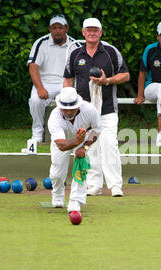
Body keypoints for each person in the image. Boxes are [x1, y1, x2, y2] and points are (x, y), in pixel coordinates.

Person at [63, 17, 130, 197]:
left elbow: (125, 75)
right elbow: (68, 79)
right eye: (88, 30)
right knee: (90, 147)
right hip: (84, 111)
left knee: (110, 145)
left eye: (95, 30)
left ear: (100, 32)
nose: (92, 33)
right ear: (83, 32)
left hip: (107, 109)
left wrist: (106, 80)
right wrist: (67, 104)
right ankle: (94, 185)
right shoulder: (75, 54)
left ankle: (115, 186)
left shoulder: (110, 52)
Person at [27, 14, 80, 143]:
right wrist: (40, 88)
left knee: (75, 100)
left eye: (60, 27)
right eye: (54, 27)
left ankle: (73, 132)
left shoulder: (75, 45)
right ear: (50, 29)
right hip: (45, 83)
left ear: (66, 28)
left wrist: (71, 88)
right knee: (35, 100)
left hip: (67, 82)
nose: (57, 31)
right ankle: (37, 133)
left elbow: (80, 69)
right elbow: (33, 67)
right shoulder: (41, 43)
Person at [47, 87, 101, 213]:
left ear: (78, 105)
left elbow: (97, 130)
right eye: (65, 108)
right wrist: (76, 142)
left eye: (72, 108)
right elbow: (61, 145)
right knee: (57, 173)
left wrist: (84, 147)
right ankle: (58, 193)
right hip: (62, 141)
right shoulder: (54, 117)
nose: (68, 112)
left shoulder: (89, 110)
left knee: (81, 166)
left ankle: (75, 200)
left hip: (82, 139)